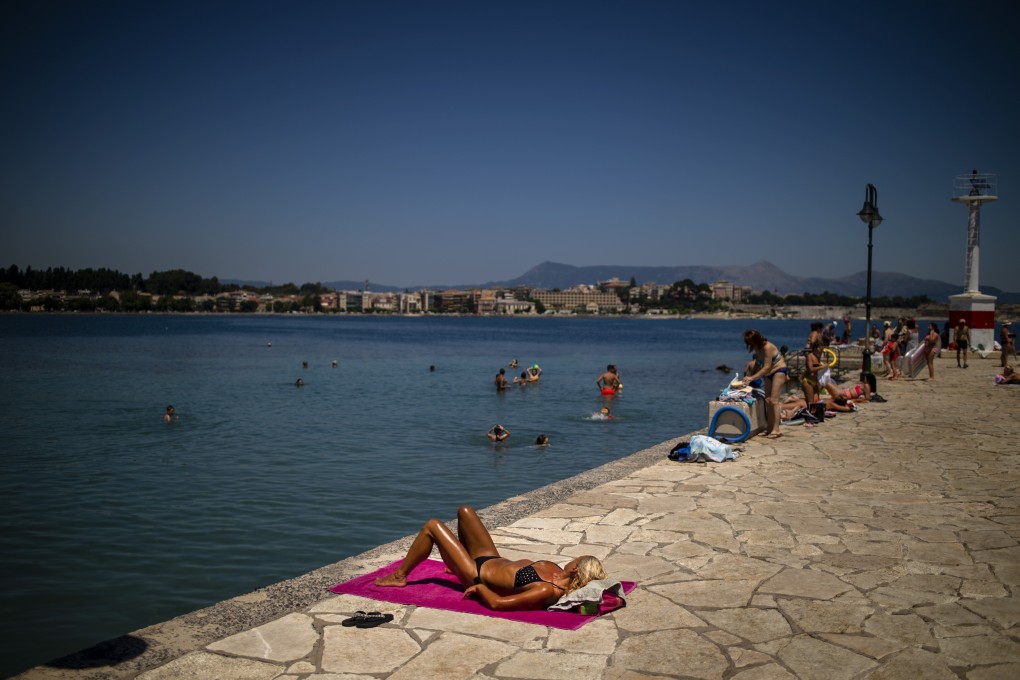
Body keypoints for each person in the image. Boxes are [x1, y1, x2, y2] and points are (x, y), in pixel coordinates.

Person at [374, 505, 608, 611]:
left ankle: (399, 575)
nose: (573, 558)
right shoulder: (555, 569)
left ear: (577, 570)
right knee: (465, 511)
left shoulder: (548, 590)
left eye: (577, 559)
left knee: (432, 526)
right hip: (488, 557)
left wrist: (479, 589)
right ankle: (456, 562)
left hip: (476, 575)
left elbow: (498, 604)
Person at [740, 329, 787, 439]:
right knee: (767, 400)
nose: (750, 345)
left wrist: (752, 377)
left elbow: (766, 367)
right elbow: (758, 363)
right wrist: (748, 379)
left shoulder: (767, 347)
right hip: (769, 374)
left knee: (774, 400)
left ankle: (776, 429)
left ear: (756, 339)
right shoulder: (757, 348)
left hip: (778, 370)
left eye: (751, 342)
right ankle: (769, 427)